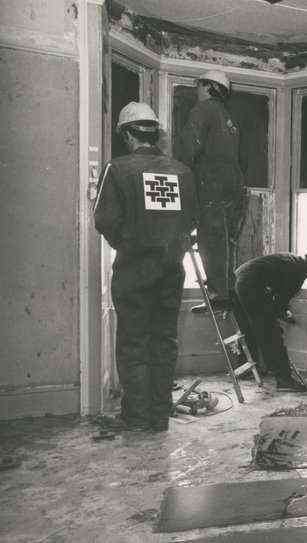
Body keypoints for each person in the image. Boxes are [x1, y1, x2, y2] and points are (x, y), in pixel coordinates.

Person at [94, 102, 200, 432]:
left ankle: (137, 417)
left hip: (134, 271)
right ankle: (160, 415)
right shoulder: (183, 172)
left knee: (133, 343)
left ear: (128, 134)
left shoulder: (117, 168)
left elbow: (105, 220)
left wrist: (129, 243)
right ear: (156, 134)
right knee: (164, 342)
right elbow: (192, 221)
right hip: (172, 270)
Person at [175, 68, 247, 313]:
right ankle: (228, 291)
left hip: (213, 182)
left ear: (208, 87)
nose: (197, 90)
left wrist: (177, 178)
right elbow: (242, 158)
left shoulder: (203, 110)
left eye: (199, 85)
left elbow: (188, 148)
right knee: (226, 239)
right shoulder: (229, 118)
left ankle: (218, 296)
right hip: (235, 183)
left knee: (210, 237)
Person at [233, 253, 307, 392]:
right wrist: (284, 314)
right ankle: (284, 379)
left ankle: (246, 370)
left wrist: (279, 310)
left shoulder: (293, 261)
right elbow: (281, 302)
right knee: (271, 333)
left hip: (238, 280)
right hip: (250, 285)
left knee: (248, 329)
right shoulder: (298, 273)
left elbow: (277, 297)